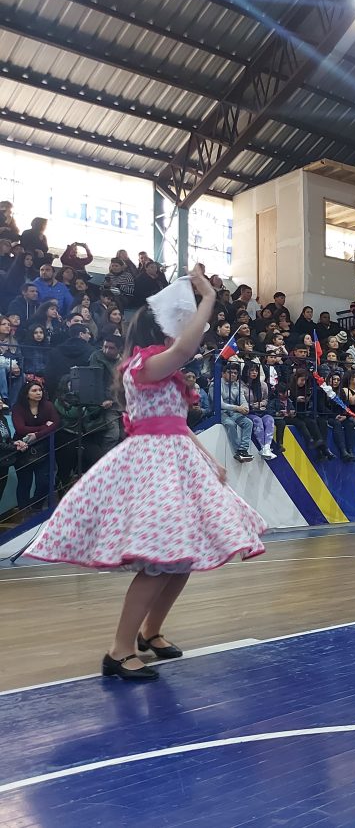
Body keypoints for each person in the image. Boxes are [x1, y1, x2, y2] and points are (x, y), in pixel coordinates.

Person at [25, 264, 267, 681]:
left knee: (180, 557)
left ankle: (149, 632)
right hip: (155, 466)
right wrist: (207, 300)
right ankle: (118, 650)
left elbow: (178, 423)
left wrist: (209, 463)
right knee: (159, 560)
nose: (182, 330)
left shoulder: (163, 373)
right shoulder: (143, 367)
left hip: (177, 461)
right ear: (158, 333)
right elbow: (184, 351)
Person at [11, 380, 60, 513]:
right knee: (24, 483)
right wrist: (45, 427)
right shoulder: (18, 407)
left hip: (44, 447)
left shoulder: (48, 405)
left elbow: (56, 424)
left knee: (44, 481)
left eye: (40, 390)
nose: (38, 393)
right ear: (26, 394)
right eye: (34, 390)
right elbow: (20, 429)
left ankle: (36, 507)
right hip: (23, 448)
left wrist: (37, 435)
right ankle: (23, 512)